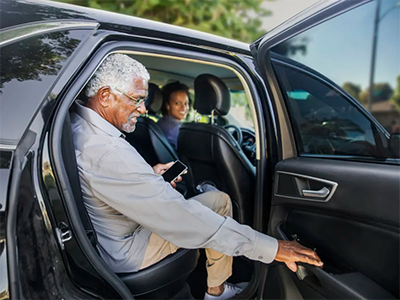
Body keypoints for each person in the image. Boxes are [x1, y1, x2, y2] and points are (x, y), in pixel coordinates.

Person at [70, 53, 323, 300]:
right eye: (137, 99)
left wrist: (149, 176)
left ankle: (216, 290)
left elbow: (113, 179)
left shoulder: (79, 127)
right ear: (105, 96)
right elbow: (182, 219)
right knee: (216, 206)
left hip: (113, 235)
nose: (144, 109)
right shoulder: (108, 152)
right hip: (130, 250)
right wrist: (272, 248)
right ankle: (217, 290)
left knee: (217, 200)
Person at [157, 81, 190, 149]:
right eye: (177, 103)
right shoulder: (175, 129)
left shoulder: (161, 122)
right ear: (168, 105)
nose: (183, 108)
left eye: (186, 103)